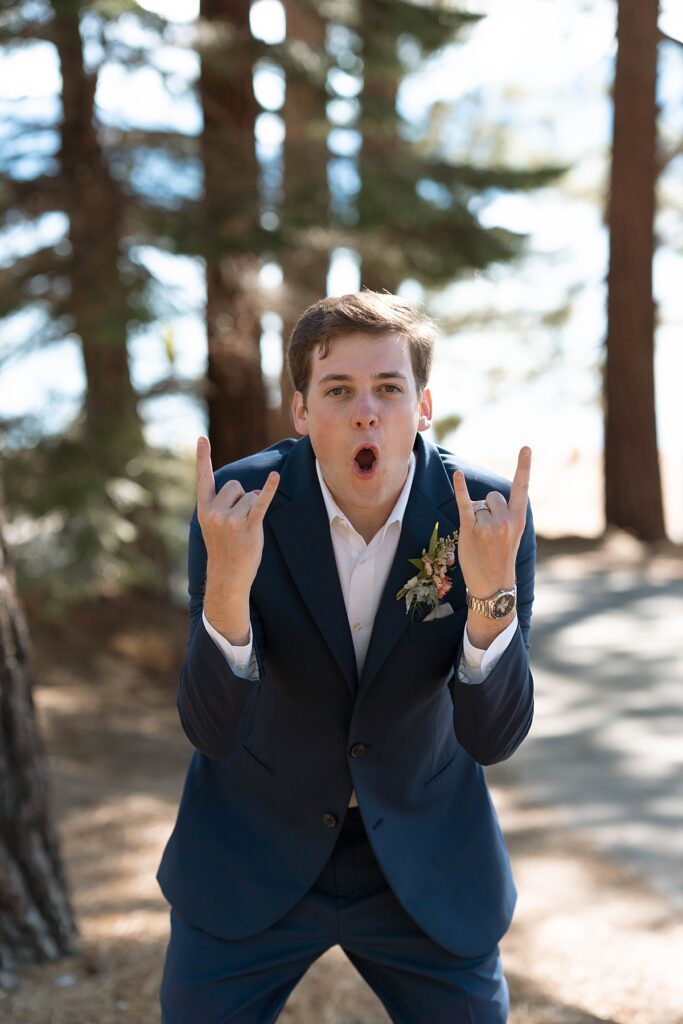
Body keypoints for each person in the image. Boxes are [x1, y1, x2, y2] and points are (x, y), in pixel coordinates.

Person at [157, 290, 535, 1024]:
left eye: (388, 389)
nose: (366, 411)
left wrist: (491, 599)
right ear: (301, 411)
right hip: (249, 845)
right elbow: (209, 728)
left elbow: (494, 737)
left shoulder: (488, 515)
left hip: (424, 855)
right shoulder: (235, 504)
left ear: (423, 406)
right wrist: (227, 588)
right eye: (338, 390)